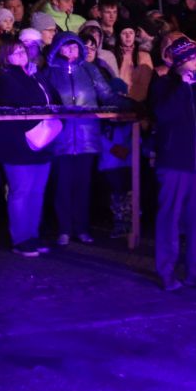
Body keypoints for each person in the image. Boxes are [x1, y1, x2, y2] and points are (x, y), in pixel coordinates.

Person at [150, 39, 196, 289]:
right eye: (192, 58)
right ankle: (167, 270)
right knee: (169, 217)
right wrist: (183, 87)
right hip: (174, 161)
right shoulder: (164, 84)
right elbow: (162, 115)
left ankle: (195, 269)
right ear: (180, 62)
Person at [45, 31, 122, 246]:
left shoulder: (89, 70)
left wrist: (128, 104)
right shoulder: (49, 73)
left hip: (87, 137)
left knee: (83, 185)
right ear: (58, 48)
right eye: (66, 46)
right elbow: (43, 101)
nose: (72, 50)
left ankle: (81, 228)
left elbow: (106, 95)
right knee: (62, 185)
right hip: (60, 138)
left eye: (75, 46)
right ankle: (64, 229)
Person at [0, 40, 56, 257]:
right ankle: (20, 238)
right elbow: (9, 104)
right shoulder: (3, 78)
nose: (20, 55)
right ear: (4, 57)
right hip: (17, 143)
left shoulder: (35, 75)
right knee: (21, 191)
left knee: (36, 191)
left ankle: (33, 234)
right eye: (14, 52)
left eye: (22, 51)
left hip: (41, 140)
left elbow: (52, 97)